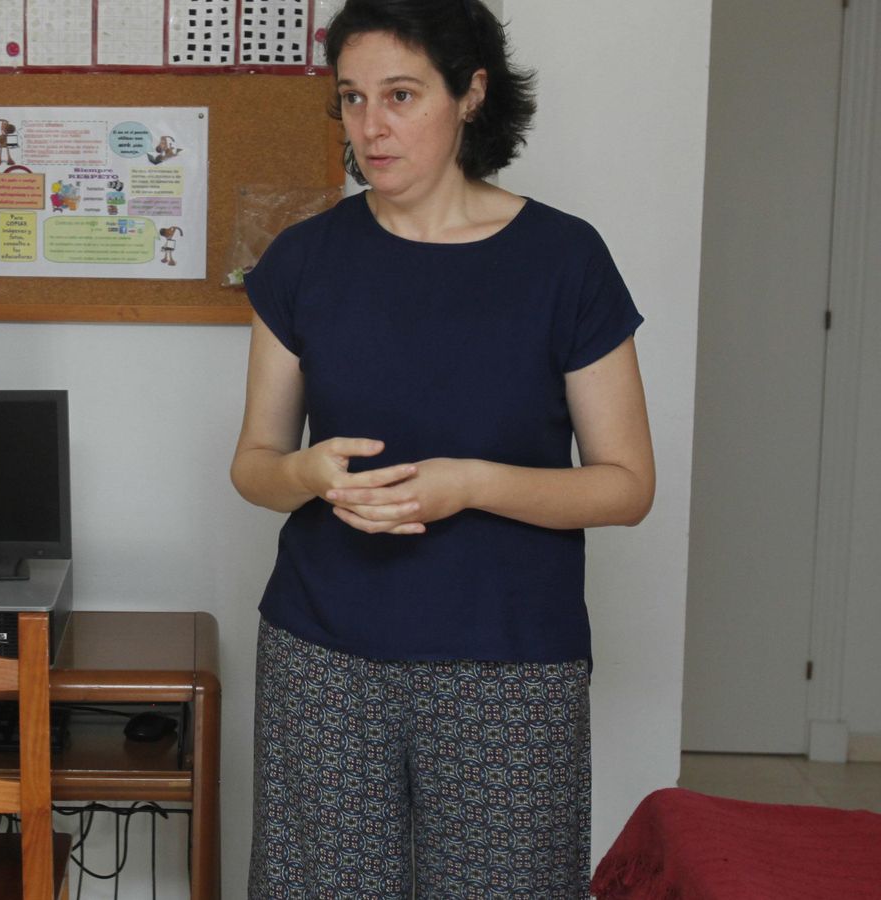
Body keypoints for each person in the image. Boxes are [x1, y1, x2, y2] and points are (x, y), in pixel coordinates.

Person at [230, 1, 655, 896]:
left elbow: (625, 486)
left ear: (471, 94)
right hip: (324, 657)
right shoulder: (303, 260)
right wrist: (306, 473)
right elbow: (255, 465)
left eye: (400, 95)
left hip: (509, 667)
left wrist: (470, 485)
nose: (370, 127)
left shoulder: (565, 260)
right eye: (350, 98)